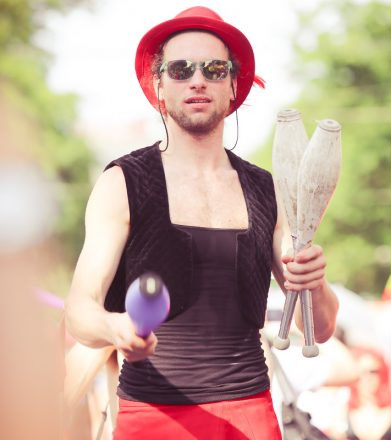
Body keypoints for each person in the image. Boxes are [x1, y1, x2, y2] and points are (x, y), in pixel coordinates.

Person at [65, 6, 339, 440]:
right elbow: (79, 311)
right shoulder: (123, 182)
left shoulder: (267, 189)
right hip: (154, 419)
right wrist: (114, 327)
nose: (197, 80)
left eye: (214, 69)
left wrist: (315, 282)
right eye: (180, 69)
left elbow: (319, 328)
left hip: (250, 417)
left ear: (233, 85)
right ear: (159, 86)